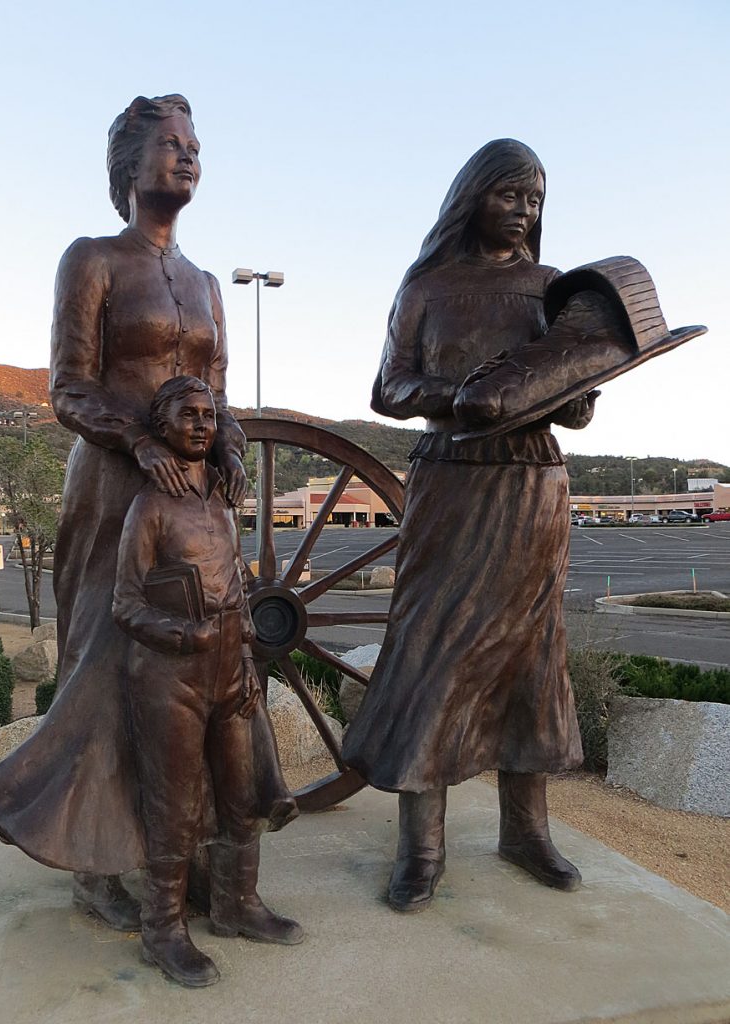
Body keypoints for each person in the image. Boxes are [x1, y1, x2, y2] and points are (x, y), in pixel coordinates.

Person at [0, 95, 292, 935]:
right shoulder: (92, 259)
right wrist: (139, 441)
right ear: (128, 167)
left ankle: (211, 868)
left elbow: (217, 397)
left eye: (195, 145)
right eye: (170, 146)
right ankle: (97, 857)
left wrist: (232, 445)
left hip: (193, 500)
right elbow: (67, 386)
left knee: (209, 666)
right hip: (112, 490)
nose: (188, 156)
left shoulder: (209, 284)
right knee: (104, 667)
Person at [342, 139, 596, 912]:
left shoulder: (553, 289)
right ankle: (421, 848)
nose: (523, 212)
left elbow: (579, 403)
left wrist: (565, 385)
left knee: (533, 655)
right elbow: (389, 388)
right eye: (510, 196)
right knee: (432, 649)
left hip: (532, 486)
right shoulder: (429, 285)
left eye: (535, 200)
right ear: (473, 198)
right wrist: (463, 396)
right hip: (452, 482)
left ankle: (526, 829)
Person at [112, 375, 302, 987]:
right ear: (161, 426)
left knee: (239, 793)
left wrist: (245, 653)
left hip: (228, 668)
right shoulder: (150, 507)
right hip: (170, 676)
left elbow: (238, 587)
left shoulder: (220, 502)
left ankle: (236, 903)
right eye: (187, 415)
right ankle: (163, 929)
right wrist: (178, 634)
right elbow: (125, 604)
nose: (200, 424)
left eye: (208, 414)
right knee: (174, 806)